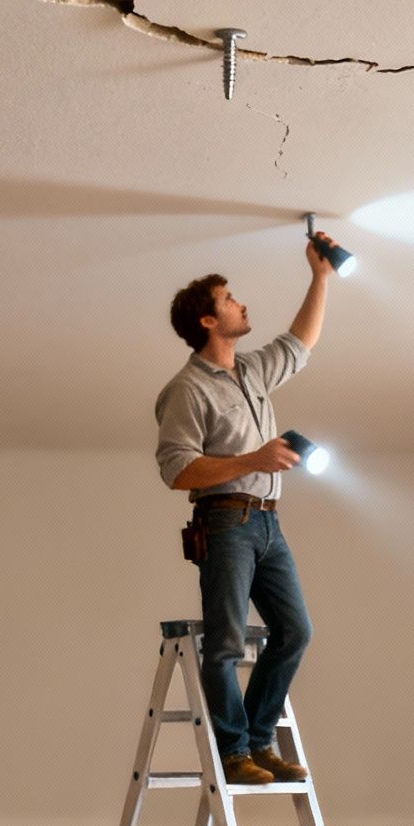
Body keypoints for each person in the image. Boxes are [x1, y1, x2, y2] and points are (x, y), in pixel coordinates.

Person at [154, 231, 338, 785]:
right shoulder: (186, 390)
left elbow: (301, 343)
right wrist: (252, 457)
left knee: (295, 631)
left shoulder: (253, 369)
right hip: (226, 520)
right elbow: (176, 469)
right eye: (230, 299)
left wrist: (320, 276)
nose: (241, 304)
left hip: (267, 522)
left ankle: (259, 741)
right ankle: (234, 753)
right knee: (227, 641)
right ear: (208, 321)